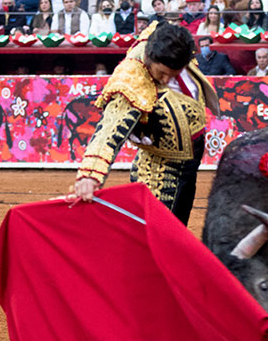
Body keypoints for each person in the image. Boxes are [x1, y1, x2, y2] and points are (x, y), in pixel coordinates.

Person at [74, 22, 220, 226]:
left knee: (178, 226)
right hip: (160, 171)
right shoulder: (131, 77)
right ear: (149, 58)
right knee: (159, 231)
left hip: (189, 161)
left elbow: (160, 26)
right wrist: (89, 176)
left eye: (174, 73)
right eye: (161, 73)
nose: (166, 79)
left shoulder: (170, 43)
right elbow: (110, 128)